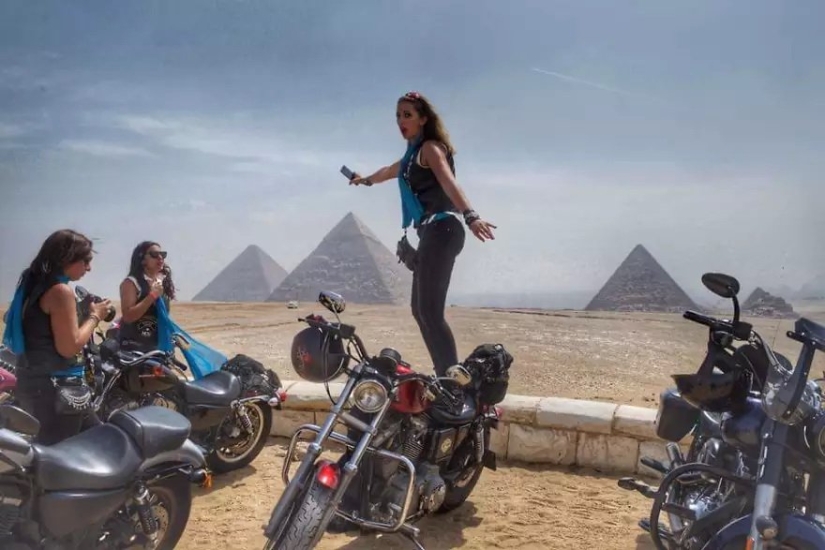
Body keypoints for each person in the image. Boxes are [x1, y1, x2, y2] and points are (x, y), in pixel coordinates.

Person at [349, 90, 497, 377]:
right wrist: (364, 180)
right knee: (420, 311)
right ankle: (445, 373)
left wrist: (471, 215)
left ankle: (452, 380)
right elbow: (386, 171)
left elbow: (448, 180)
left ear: (423, 119)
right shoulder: (409, 158)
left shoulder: (430, 148)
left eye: (407, 115)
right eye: (397, 116)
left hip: (444, 228)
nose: (400, 121)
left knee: (430, 312)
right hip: (431, 233)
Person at [2, 229, 111, 445]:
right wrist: (94, 316)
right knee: (62, 458)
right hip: (57, 390)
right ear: (67, 258)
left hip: (36, 383)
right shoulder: (60, 292)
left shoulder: (32, 284)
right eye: (85, 261)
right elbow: (69, 347)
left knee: (100, 441)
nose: (89, 268)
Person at [118, 241, 176, 353]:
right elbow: (128, 316)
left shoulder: (162, 282)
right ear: (142, 259)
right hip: (134, 348)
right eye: (154, 254)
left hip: (159, 348)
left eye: (162, 254)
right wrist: (152, 296)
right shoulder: (131, 283)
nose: (160, 258)